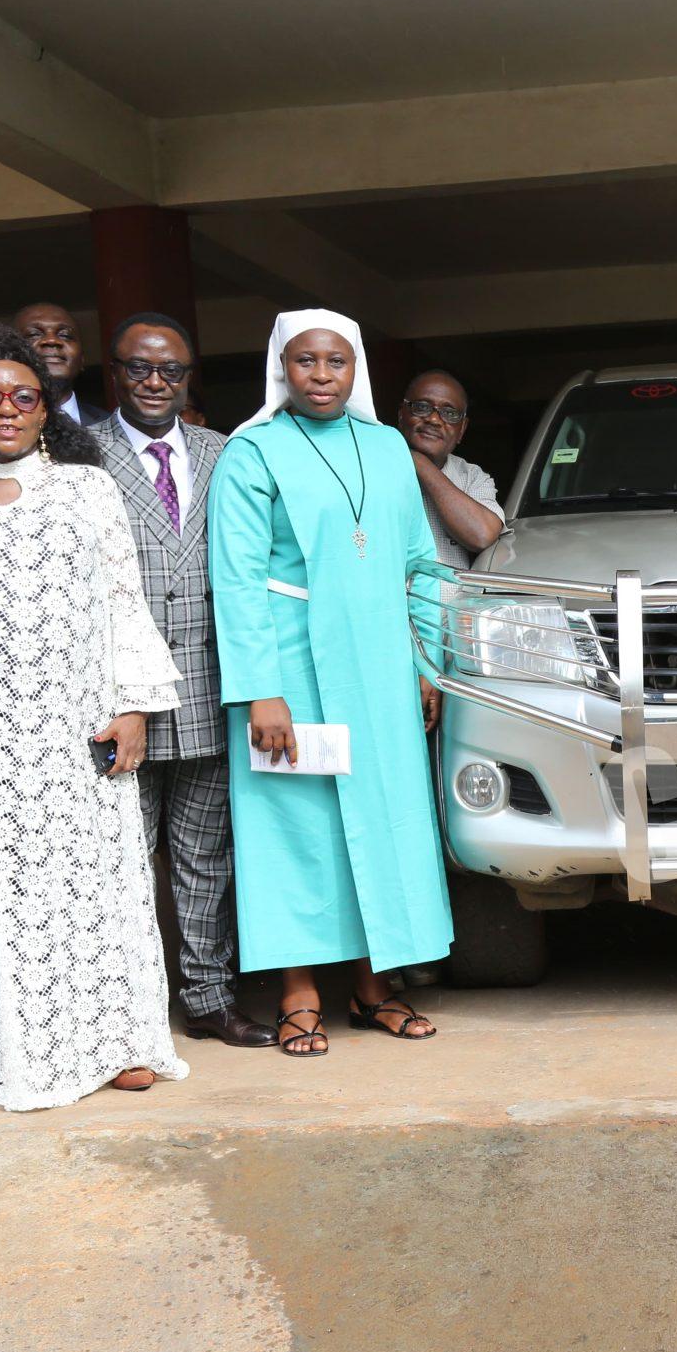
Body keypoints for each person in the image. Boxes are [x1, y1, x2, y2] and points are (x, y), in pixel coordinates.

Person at [0, 327, 188, 1108]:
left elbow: (122, 599)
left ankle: (117, 1041)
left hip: (79, 724)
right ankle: (26, 1049)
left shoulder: (86, 487)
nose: (7, 409)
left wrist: (132, 704)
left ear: (47, 412)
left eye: (24, 396)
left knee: (93, 886)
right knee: (5, 892)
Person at [209, 310, 453, 1054]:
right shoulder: (252, 452)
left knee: (379, 822)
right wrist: (260, 690)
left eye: (336, 362)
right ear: (282, 367)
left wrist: (427, 662)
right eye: (306, 361)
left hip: (379, 666)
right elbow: (238, 579)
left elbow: (423, 565)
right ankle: (298, 991)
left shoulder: (387, 448)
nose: (321, 375)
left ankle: (374, 985)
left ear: (358, 371)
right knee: (297, 829)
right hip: (291, 668)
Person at [85, 314, 273, 1048]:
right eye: (140, 369)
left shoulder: (223, 452)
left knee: (206, 859)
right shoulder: (77, 455)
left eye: (172, 371)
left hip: (210, 686)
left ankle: (208, 997)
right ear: (116, 374)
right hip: (115, 698)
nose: (157, 383)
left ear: (189, 379)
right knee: (118, 861)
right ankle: (122, 1010)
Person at [398, 370, 504, 567]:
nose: (434, 419)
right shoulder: (371, 467)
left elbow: (481, 535)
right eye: (422, 407)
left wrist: (420, 462)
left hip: (450, 599)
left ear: (462, 429)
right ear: (402, 415)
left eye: (450, 413)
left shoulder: (473, 477)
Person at [11, 302, 113, 427]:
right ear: (9, 356)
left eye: (65, 335)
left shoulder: (113, 428)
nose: (52, 340)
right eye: (34, 334)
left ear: (82, 359)